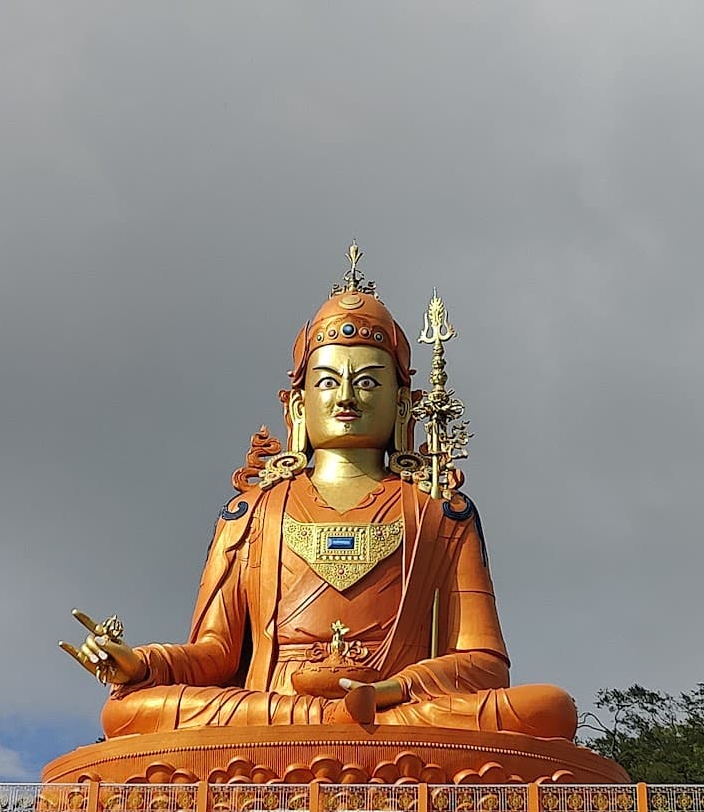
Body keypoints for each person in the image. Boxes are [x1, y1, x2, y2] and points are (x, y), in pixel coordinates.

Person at [61, 265, 576, 741]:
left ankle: (346, 721)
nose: (346, 398)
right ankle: (329, 723)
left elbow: (483, 663)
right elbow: (217, 654)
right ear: (298, 403)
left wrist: (387, 693)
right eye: (328, 381)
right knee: (128, 709)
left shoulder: (440, 511)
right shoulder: (252, 513)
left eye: (368, 381)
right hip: (272, 709)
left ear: (403, 403)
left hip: (392, 710)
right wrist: (141, 666)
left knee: (549, 709)